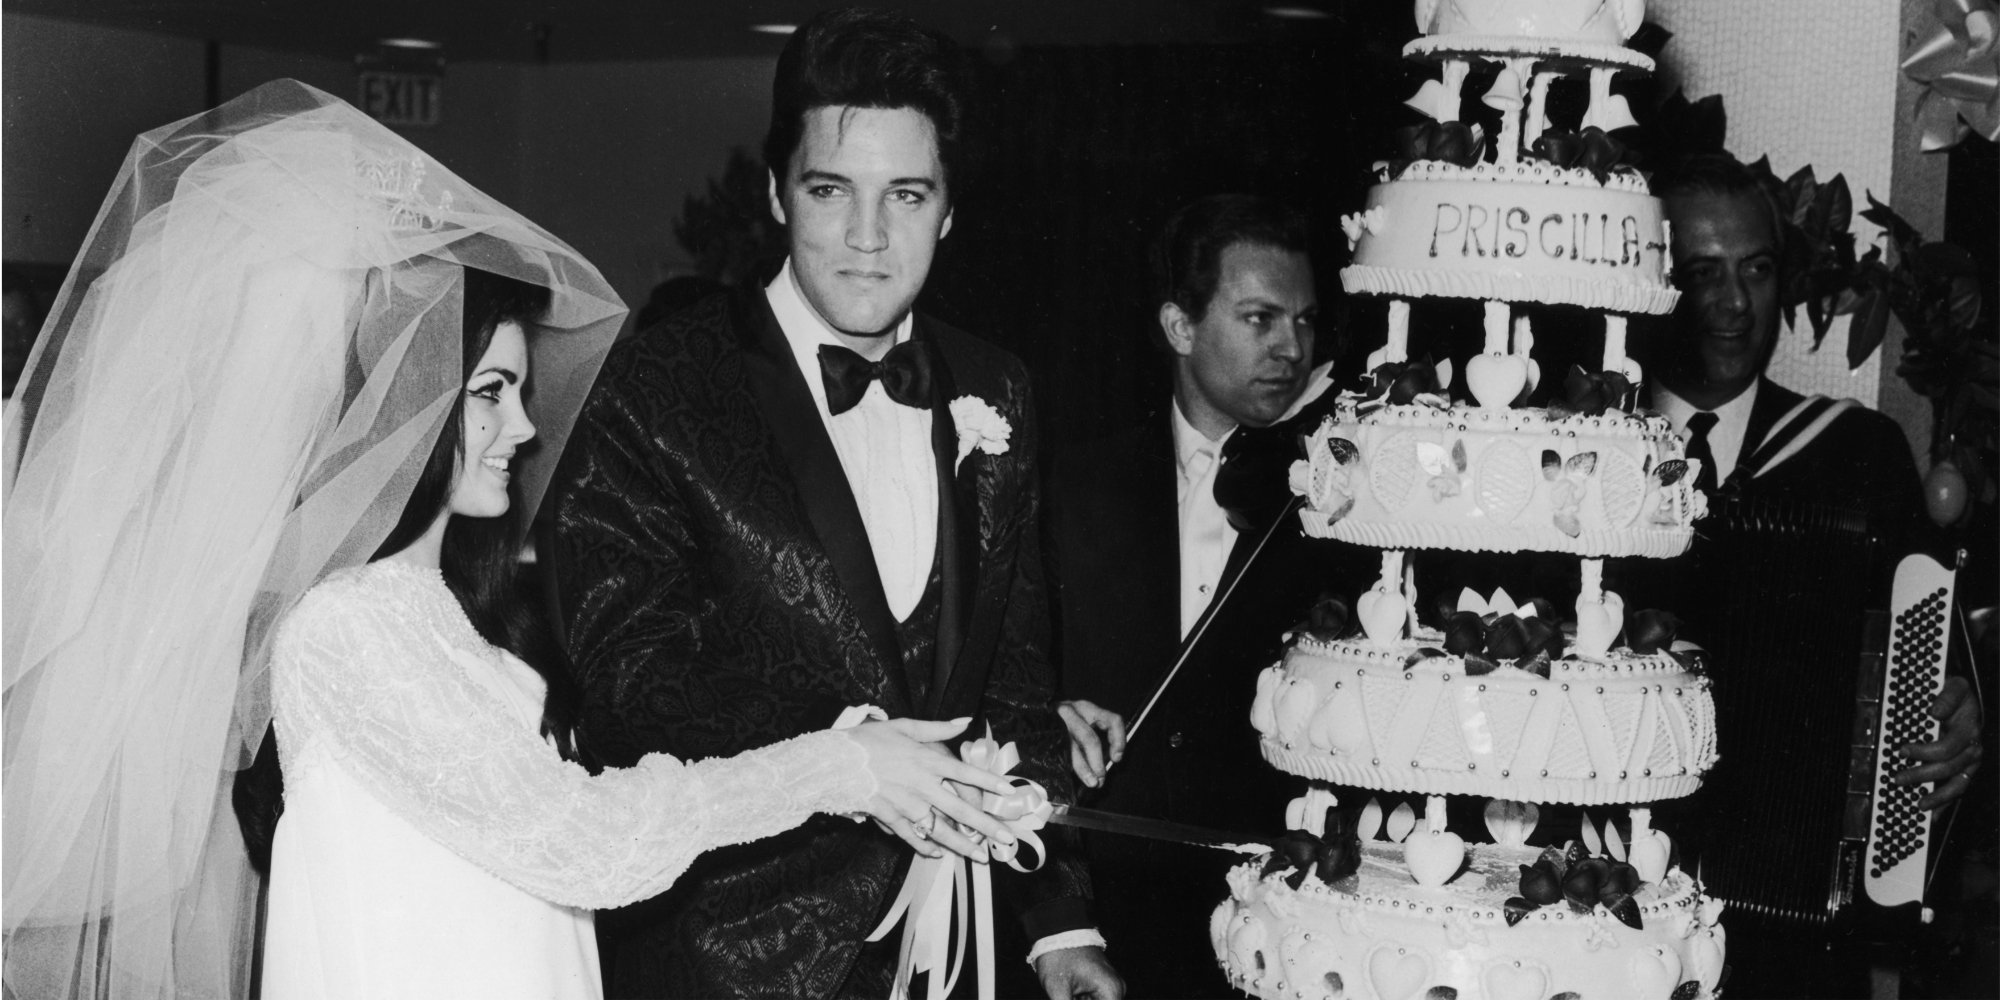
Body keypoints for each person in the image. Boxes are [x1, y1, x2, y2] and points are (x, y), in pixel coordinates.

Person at [1, 79, 1018, 1000]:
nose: (525, 428)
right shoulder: (341, 626)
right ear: (399, 404)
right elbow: (582, 842)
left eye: (518, 392)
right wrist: (834, 768)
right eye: (488, 393)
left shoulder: (441, 604)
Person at [546, 10, 1119, 999]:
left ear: (947, 210)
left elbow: (1016, 680)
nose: (866, 237)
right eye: (829, 190)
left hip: (949, 954)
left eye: (904, 194)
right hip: (724, 954)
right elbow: (625, 675)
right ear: (776, 193)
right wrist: (839, 750)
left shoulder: (998, 387)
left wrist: (1059, 920)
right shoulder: (654, 383)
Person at [1632, 151, 1983, 997]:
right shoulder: (1585, 451)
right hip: (1612, 910)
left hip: (1793, 935)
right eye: (1700, 273)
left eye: (1755, 270)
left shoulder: (1857, 454)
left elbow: (1927, 664)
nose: (1733, 304)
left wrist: (1962, 711)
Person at [1045, 194, 1361, 998]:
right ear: (1180, 328)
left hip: (1276, 931)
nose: (1291, 348)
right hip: (1102, 920)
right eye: (1260, 319)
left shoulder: (1342, 501)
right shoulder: (1076, 485)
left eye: (1305, 321)